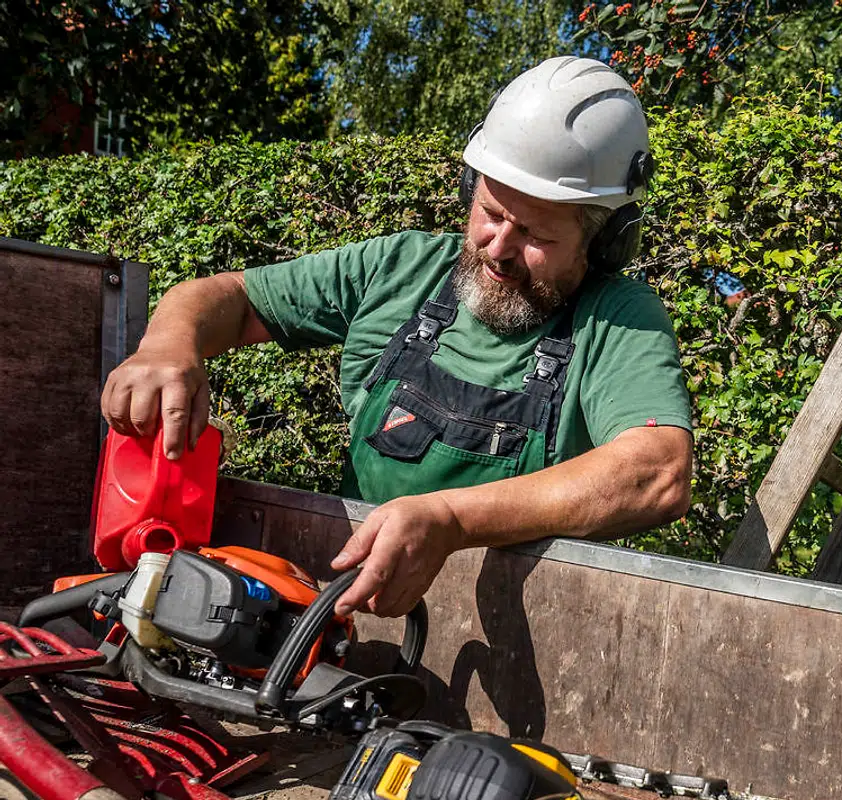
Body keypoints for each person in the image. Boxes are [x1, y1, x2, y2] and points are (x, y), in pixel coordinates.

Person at [99, 57, 693, 619]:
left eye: (535, 234)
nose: (498, 246)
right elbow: (229, 297)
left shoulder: (619, 318)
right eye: (489, 211)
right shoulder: (401, 267)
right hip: (346, 613)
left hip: (522, 640)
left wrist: (450, 520)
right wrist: (168, 347)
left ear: (606, 240)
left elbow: (655, 471)